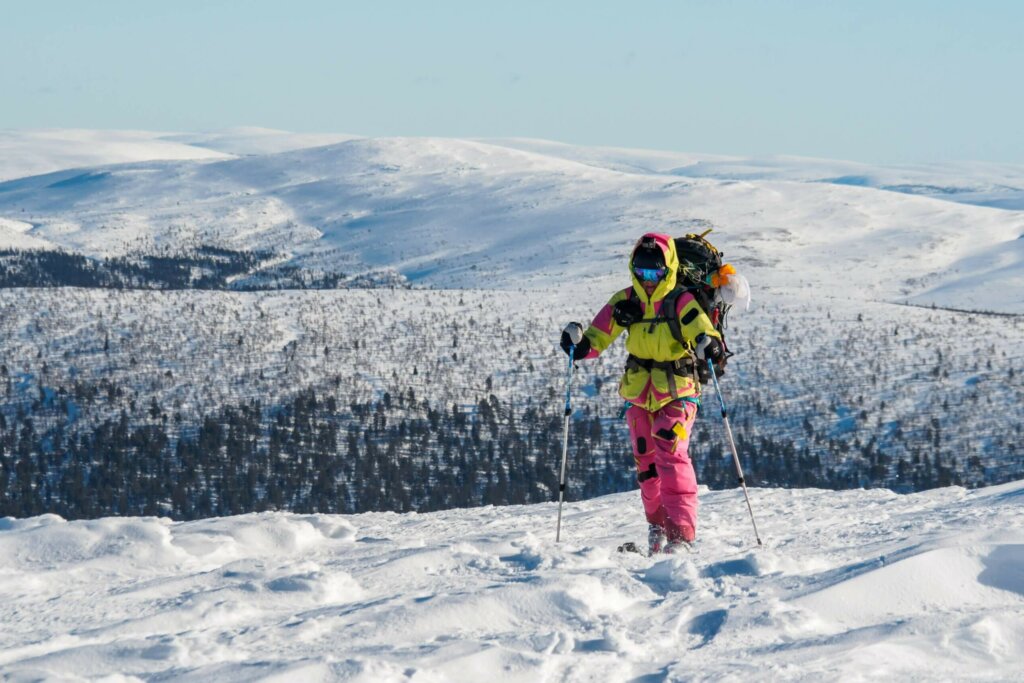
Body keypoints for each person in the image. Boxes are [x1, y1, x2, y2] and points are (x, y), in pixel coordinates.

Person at [560, 232, 724, 554]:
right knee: (646, 464)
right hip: (639, 393)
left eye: (656, 272)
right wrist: (578, 346)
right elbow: (597, 337)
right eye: (642, 272)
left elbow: (700, 327)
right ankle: (658, 527)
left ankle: (681, 536)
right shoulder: (625, 302)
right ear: (633, 269)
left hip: (679, 390)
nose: (648, 280)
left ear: (669, 269)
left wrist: (709, 342)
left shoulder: (681, 301)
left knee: (670, 452)